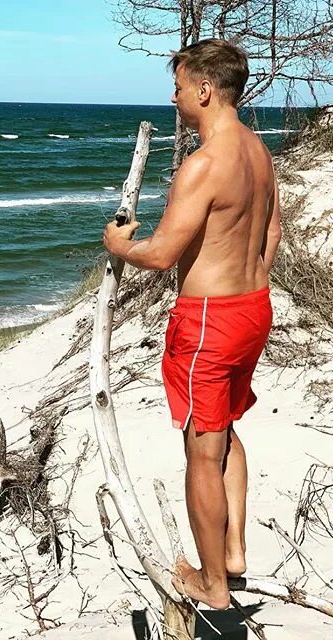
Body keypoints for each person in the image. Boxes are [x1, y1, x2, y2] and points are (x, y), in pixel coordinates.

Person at [102, 38, 282, 610]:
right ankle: (232, 552)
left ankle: (212, 583)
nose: (175, 98)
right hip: (253, 308)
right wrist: (245, 281)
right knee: (224, 426)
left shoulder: (204, 164)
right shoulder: (257, 152)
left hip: (209, 321)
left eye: (178, 88)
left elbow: (160, 254)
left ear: (204, 90)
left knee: (201, 451)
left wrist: (117, 244)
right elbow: (271, 231)